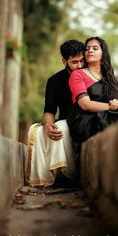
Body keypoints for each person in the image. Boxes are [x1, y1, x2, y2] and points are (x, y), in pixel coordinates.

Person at [26, 39, 85, 187]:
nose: (79, 66)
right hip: (65, 118)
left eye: (82, 61)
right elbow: (49, 109)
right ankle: (49, 178)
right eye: (74, 62)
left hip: (86, 119)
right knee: (38, 132)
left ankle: (69, 175)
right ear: (64, 61)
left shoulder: (91, 74)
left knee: (61, 127)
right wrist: (47, 125)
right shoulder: (54, 81)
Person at [67, 37, 118, 143]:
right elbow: (85, 104)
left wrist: (117, 103)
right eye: (87, 48)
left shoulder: (110, 78)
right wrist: (114, 107)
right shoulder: (77, 74)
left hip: (107, 114)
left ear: (103, 53)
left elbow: (116, 101)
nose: (90, 50)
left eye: (95, 48)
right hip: (86, 120)